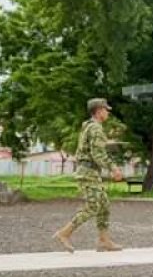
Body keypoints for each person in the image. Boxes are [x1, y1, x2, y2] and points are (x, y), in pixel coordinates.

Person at [53, 98, 124, 252]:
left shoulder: (88, 126)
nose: (108, 113)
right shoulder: (96, 129)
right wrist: (114, 168)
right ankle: (64, 233)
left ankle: (103, 241)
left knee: (104, 205)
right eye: (106, 110)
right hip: (88, 173)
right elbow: (98, 154)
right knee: (93, 207)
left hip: (90, 172)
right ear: (99, 111)